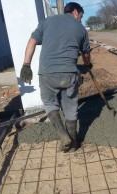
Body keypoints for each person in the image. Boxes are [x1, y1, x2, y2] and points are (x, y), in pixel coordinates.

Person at [20, 2, 91, 152]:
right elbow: (86, 54)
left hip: (47, 74)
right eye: (81, 16)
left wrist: (26, 65)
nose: (81, 20)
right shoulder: (81, 29)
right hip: (69, 74)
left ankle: (62, 135)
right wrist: (86, 65)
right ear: (76, 12)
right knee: (71, 107)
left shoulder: (47, 22)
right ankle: (73, 144)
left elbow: (32, 41)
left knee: (50, 103)